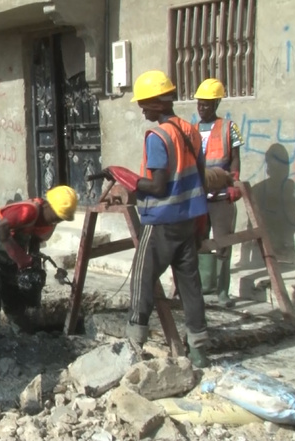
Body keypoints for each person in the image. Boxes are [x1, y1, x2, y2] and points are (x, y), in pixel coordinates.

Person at [103, 70, 210, 368]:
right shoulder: (189, 130)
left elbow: (158, 185)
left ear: (159, 103)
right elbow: (200, 177)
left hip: (162, 221)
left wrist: (126, 179)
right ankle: (199, 351)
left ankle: (133, 344)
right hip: (188, 220)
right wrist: (204, 219)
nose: (142, 109)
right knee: (190, 285)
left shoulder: (157, 136)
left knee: (141, 278)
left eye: (145, 103)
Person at [0, 186, 77, 333]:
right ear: (48, 205)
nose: (56, 221)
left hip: (9, 257)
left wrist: (33, 266)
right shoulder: (28, 211)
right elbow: (0, 229)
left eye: (61, 219)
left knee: (13, 299)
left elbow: (35, 241)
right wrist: (21, 258)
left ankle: (23, 336)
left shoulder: (49, 222)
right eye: (56, 216)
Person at [194, 78, 243, 307]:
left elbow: (234, 158)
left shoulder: (228, 127)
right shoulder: (192, 130)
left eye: (206, 104)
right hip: (199, 196)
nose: (201, 108)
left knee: (224, 243)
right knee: (200, 241)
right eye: (199, 104)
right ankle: (204, 287)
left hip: (222, 196)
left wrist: (234, 183)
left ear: (216, 104)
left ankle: (223, 292)